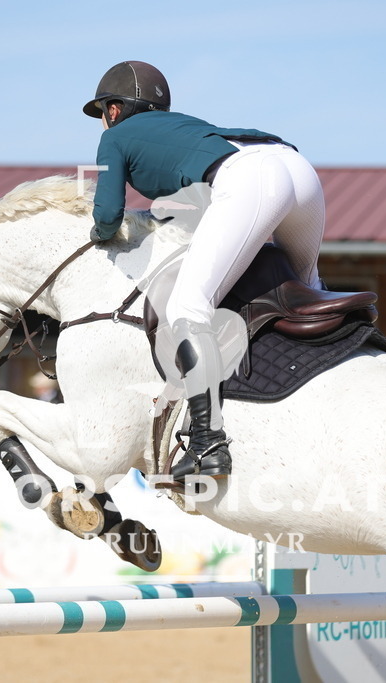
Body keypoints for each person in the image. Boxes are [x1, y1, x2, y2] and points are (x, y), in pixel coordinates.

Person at [83, 61, 326, 484]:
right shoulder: (183, 127)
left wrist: (98, 234)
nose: (105, 120)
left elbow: (107, 214)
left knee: (187, 307)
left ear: (115, 110)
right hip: (295, 167)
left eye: (104, 111)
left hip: (251, 177)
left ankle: (207, 444)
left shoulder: (116, 137)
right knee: (309, 291)